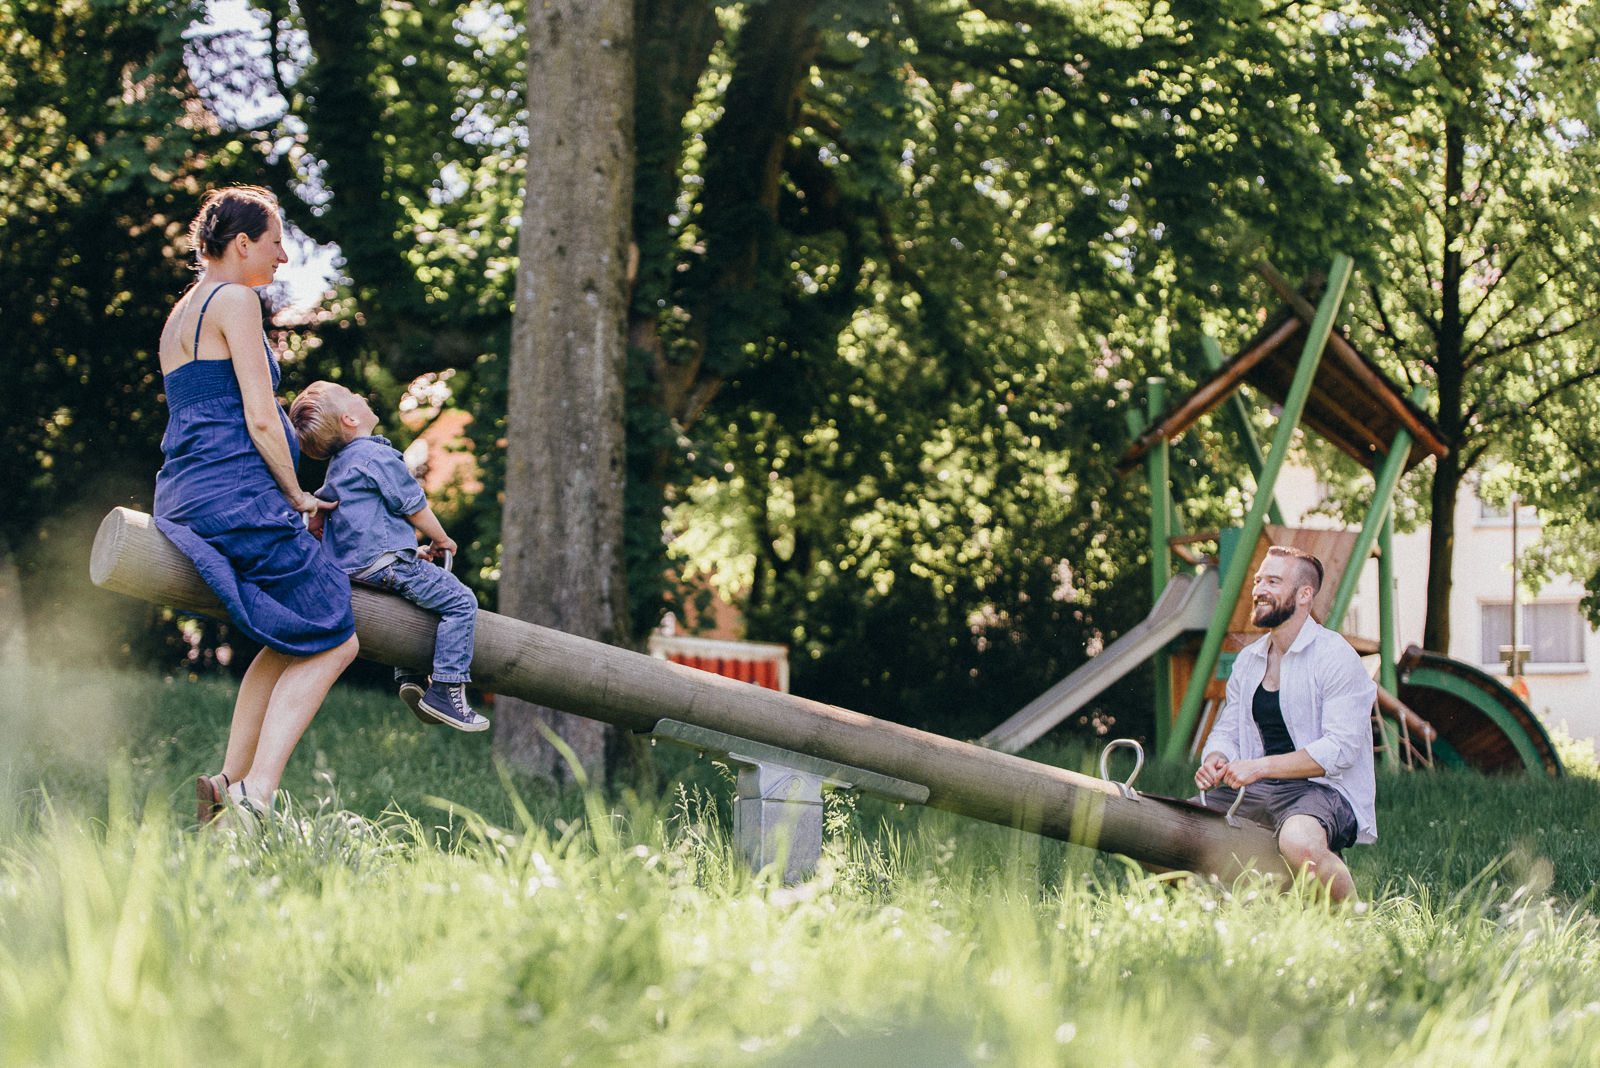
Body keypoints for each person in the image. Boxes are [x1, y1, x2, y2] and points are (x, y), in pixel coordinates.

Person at [153, 186, 360, 826]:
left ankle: (224, 784)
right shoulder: (236, 300)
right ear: (241, 244)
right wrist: (297, 495)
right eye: (275, 245)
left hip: (182, 492)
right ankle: (257, 798)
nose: (283, 260)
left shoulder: (178, 315)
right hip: (234, 496)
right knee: (337, 634)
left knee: (297, 632)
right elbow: (261, 417)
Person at [288, 381, 488, 731]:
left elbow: (368, 523)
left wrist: (415, 551)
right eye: (351, 394)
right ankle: (446, 689)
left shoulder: (339, 465)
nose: (360, 395)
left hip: (357, 569)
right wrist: (441, 538)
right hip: (387, 563)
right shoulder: (377, 455)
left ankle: (410, 675)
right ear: (350, 418)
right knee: (460, 602)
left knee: (414, 601)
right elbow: (413, 504)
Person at [1193, 545, 1376, 903]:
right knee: (1169, 831)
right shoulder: (1248, 661)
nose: (1259, 589)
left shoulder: (1335, 656)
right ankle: (1232, 914)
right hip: (1261, 788)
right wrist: (1217, 757)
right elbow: (1229, 729)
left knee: (1298, 842)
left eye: (1273, 581)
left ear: (1305, 594)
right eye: (1259, 580)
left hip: (1325, 790)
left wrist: (1257, 767)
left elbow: (1338, 751)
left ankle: (1357, 926)